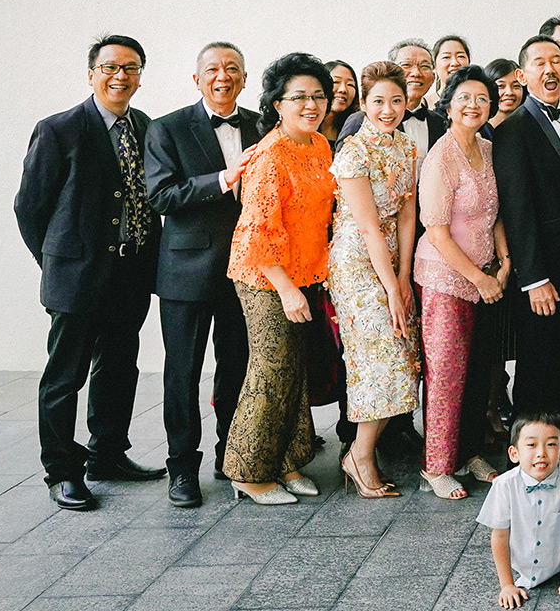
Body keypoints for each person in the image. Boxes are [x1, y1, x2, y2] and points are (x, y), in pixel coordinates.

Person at [16, 35, 166, 510]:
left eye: (131, 68)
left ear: (140, 76)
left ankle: (108, 455)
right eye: (110, 67)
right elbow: (29, 208)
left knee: (119, 368)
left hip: (131, 272)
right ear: (91, 74)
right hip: (76, 276)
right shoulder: (59, 129)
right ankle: (62, 471)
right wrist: (58, 263)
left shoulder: (145, 127)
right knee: (65, 377)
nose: (121, 76)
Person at [142, 41, 263, 507]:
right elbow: (161, 195)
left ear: (245, 78)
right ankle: (181, 469)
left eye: (232, 69)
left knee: (237, 368)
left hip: (246, 270)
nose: (222, 76)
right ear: (197, 79)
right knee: (183, 374)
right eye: (212, 69)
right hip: (186, 272)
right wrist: (221, 180)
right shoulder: (167, 127)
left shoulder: (262, 125)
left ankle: (231, 458)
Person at [222, 52, 338, 505]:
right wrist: (288, 290)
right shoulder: (269, 155)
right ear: (277, 104)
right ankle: (248, 473)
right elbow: (258, 232)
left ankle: (287, 461)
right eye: (299, 97)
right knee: (271, 370)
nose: (311, 105)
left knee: (295, 371)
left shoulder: (320, 144)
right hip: (265, 276)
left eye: (319, 96)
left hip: (304, 270)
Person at [328, 61, 423, 498]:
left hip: (392, 261)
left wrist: (403, 278)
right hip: (356, 264)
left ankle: (361, 453)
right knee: (377, 358)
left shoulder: (407, 146)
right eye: (379, 101)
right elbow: (368, 228)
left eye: (396, 101)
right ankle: (360, 456)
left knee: (402, 356)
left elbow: (407, 214)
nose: (388, 110)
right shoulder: (352, 152)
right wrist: (390, 290)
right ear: (363, 103)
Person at [415, 66, 510, 498]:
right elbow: (436, 232)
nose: (474, 105)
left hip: (487, 274)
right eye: (465, 98)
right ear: (449, 105)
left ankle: (468, 452)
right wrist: (478, 278)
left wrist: (504, 262)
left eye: (482, 98)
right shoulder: (441, 157)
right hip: (446, 279)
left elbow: (495, 213)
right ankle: (436, 466)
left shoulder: (488, 149)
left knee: (478, 371)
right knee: (446, 373)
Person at [494, 36, 560, 417]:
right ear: (523, 76)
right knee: (537, 360)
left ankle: (555, 436)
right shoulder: (512, 130)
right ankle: (526, 439)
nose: (550, 68)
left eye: (556, 60)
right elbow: (517, 210)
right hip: (542, 270)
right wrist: (534, 278)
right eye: (539, 62)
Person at [478, 411, 560, 606]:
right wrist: (507, 585)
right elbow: (499, 536)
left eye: (551, 444)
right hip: (520, 562)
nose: (541, 453)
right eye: (531, 445)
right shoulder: (504, 485)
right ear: (514, 454)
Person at [338, 39, 445, 157]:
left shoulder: (439, 122)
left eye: (424, 66)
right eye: (406, 65)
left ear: (433, 78)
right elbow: (341, 163)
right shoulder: (361, 119)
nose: (416, 73)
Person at [320, 61, 359, 146]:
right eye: (335, 82)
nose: (343, 89)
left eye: (350, 84)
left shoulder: (357, 132)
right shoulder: (304, 128)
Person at [432, 34, 472, 103]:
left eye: (460, 56)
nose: (455, 63)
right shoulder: (424, 104)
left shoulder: (478, 102)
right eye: (446, 57)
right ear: (434, 66)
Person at [485, 58, 523, 130]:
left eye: (516, 86)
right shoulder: (476, 133)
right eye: (500, 86)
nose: (509, 92)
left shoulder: (532, 128)